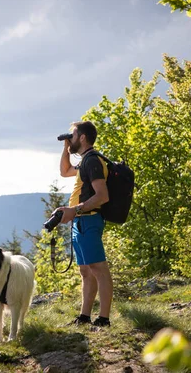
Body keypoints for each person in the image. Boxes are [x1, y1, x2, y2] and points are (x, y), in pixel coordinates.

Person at [55, 121, 113, 327]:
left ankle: (104, 319)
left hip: (89, 220)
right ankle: (85, 316)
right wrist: (66, 149)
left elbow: (102, 196)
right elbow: (65, 171)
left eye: (73, 134)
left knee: (99, 269)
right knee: (86, 271)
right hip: (80, 222)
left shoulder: (93, 161)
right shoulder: (85, 162)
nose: (69, 138)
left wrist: (74, 210)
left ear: (82, 137)